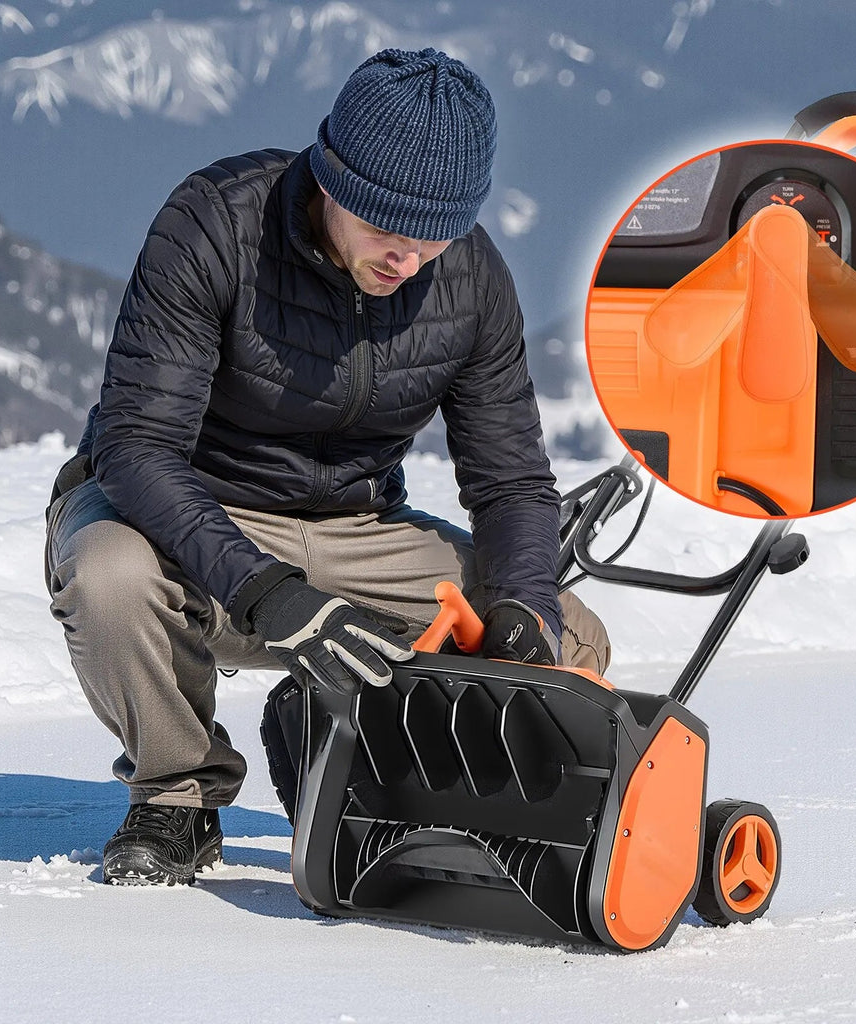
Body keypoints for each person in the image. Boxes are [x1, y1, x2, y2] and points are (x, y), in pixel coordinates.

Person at [44, 47, 609, 887]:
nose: (407, 259)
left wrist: (523, 606)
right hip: (183, 510)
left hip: (354, 527)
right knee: (108, 579)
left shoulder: (472, 278)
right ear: (333, 180)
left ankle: (421, 796)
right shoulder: (215, 224)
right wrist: (267, 593)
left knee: (571, 635)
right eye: (385, 229)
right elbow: (136, 448)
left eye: (433, 236)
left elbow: (512, 482)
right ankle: (177, 797)